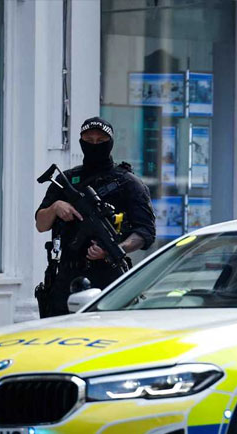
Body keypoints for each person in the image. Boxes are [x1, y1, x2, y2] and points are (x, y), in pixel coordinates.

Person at [35, 117, 156, 317]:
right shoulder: (66, 180)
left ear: (111, 142)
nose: (94, 144)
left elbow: (146, 233)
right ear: (81, 142)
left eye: (101, 140)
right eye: (89, 140)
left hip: (109, 277)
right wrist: (56, 207)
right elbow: (41, 224)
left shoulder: (128, 183)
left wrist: (114, 250)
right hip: (67, 276)